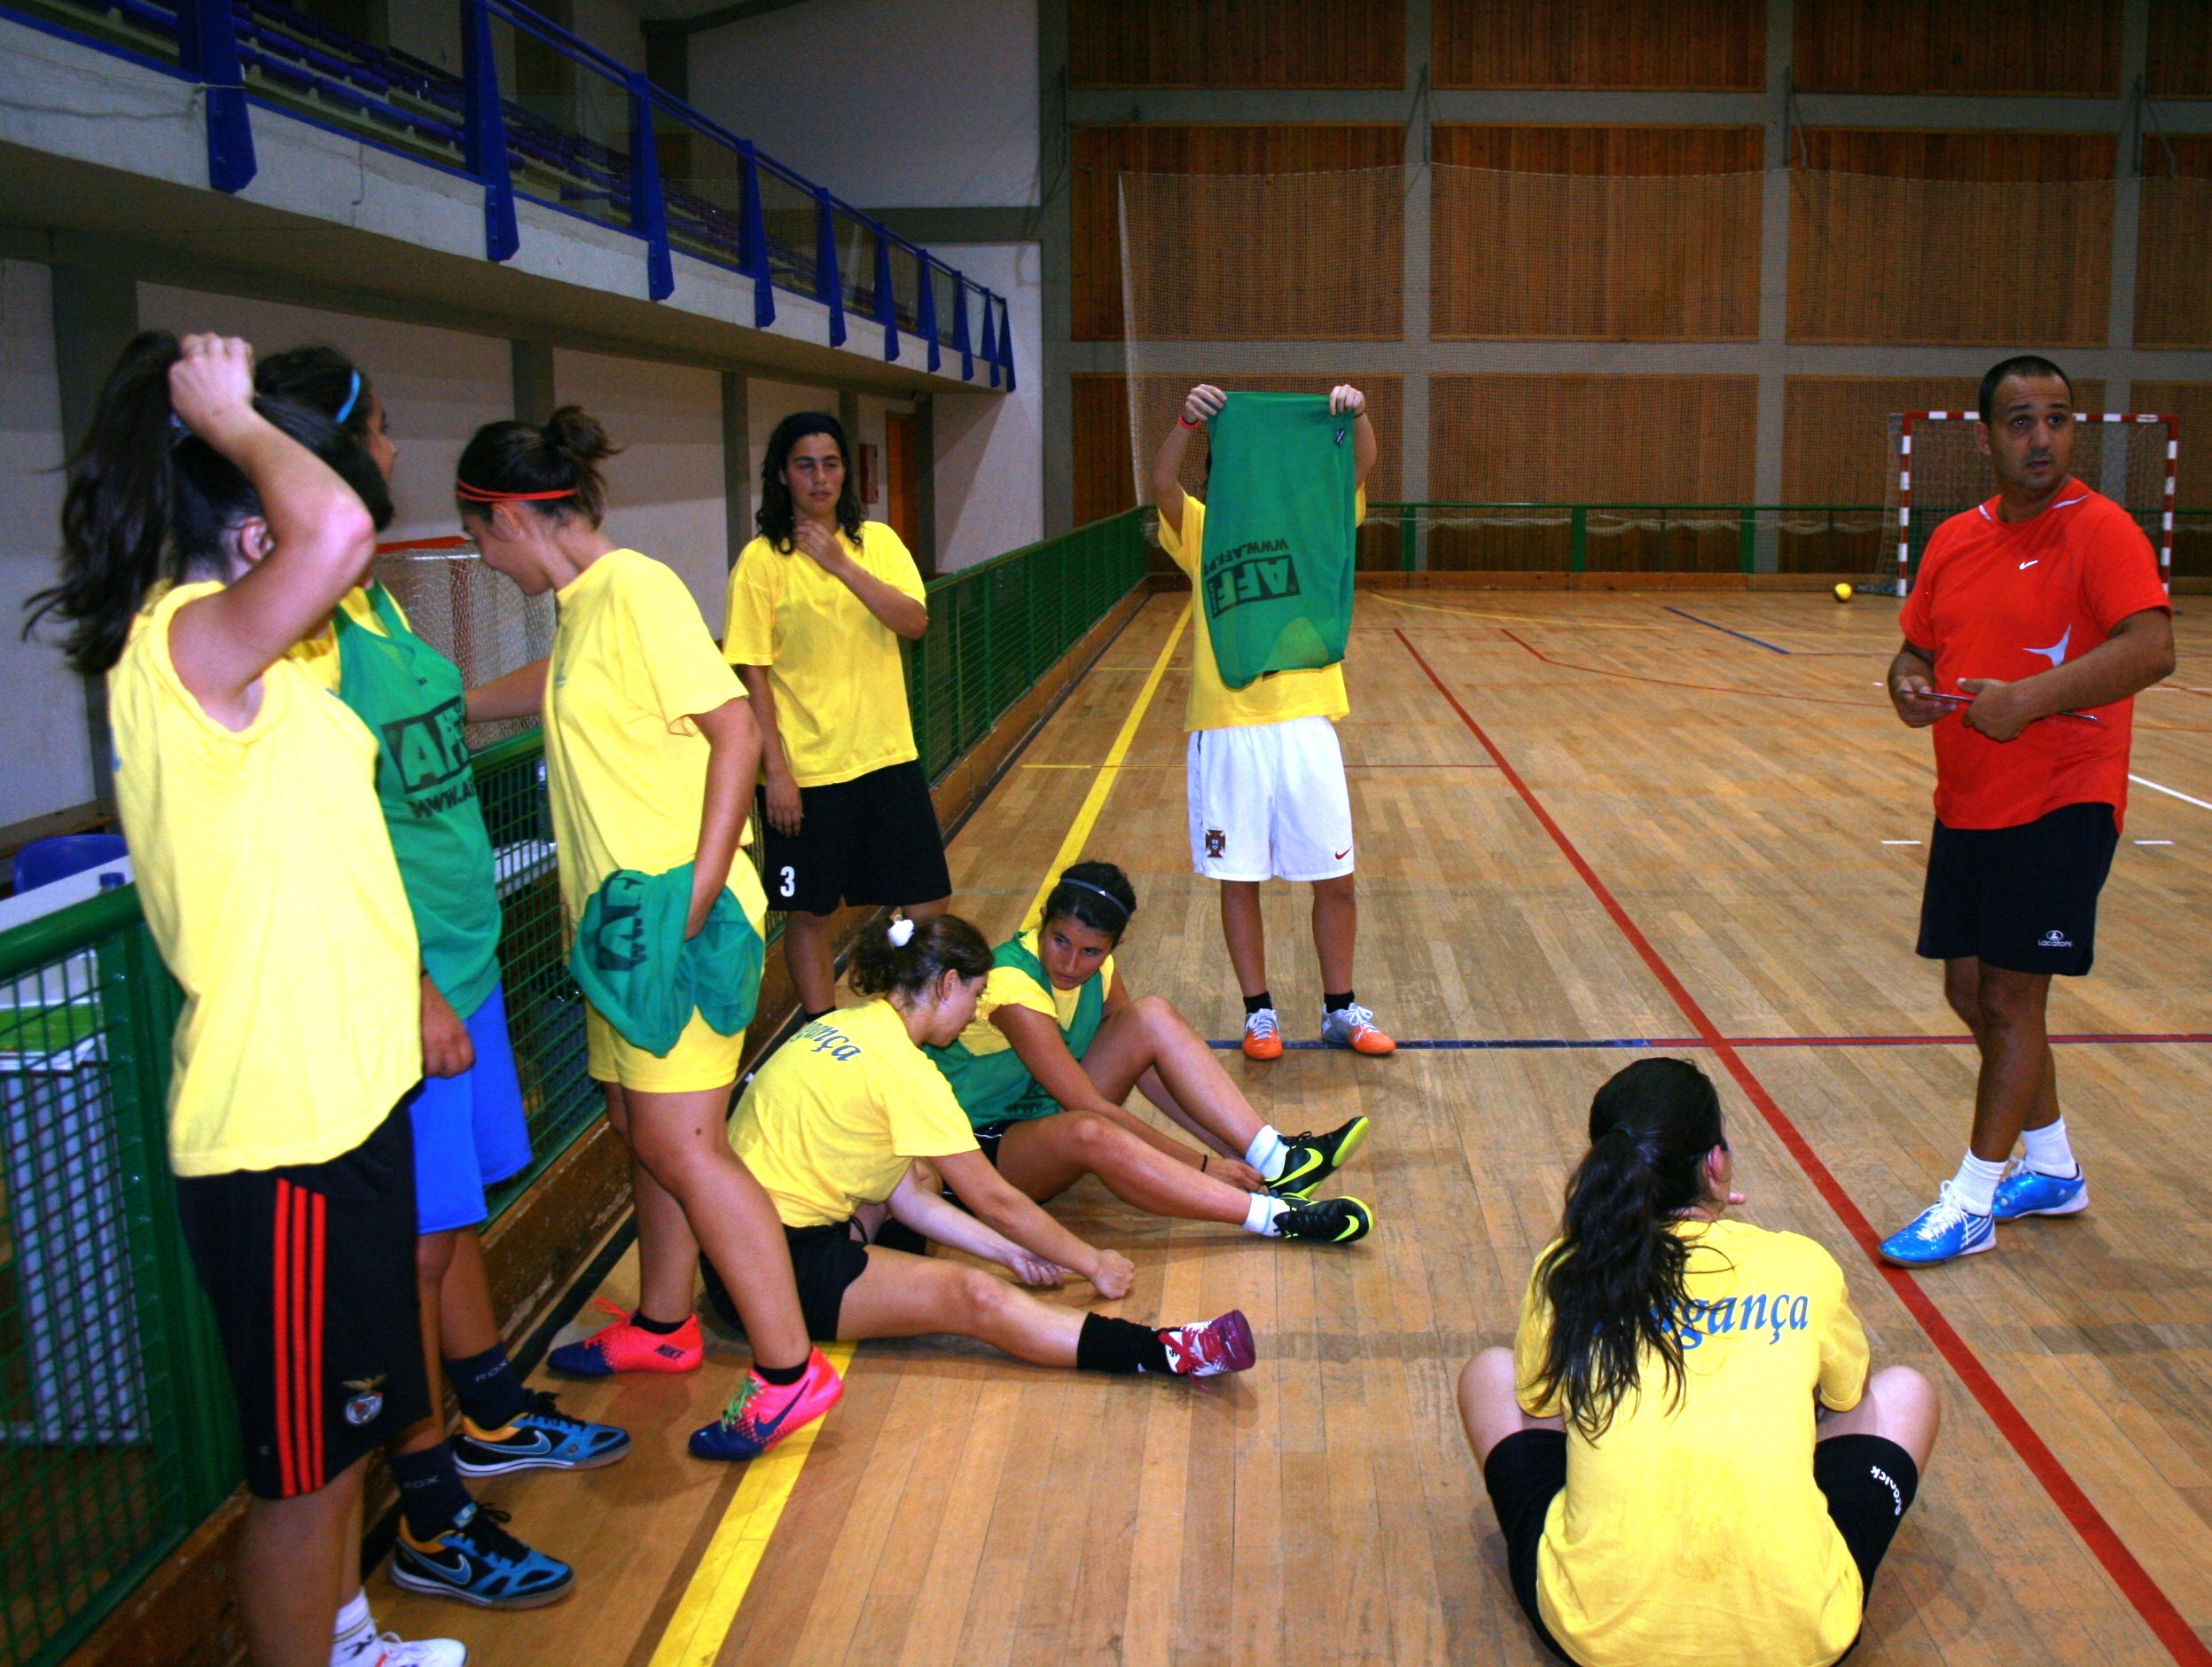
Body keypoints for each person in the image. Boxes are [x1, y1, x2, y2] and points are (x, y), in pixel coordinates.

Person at [27, 331, 429, 1667]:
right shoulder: (173, 649)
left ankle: (342, 1640)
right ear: (239, 503)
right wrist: (227, 414)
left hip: (353, 1107)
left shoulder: (276, 662)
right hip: (281, 1139)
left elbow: (326, 546)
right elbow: (335, 533)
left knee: (346, 1443)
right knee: (299, 1478)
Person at [259, 348, 621, 1628]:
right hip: (403, 989)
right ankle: (428, 1512)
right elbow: (324, 822)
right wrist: (410, 980)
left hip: (461, 969)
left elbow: (446, 727)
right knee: (409, 1253)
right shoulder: (289, 620)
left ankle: (487, 1414)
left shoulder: (376, 608)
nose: (400, 449)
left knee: (449, 1224)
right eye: (385, 428)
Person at [453, 407, 842, 1462]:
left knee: (684, 1140)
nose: (485, 563)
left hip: (673, 922)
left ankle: (786, 1368)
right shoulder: (584, 608)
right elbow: (560, 689)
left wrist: (701, 891)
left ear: (514, 518)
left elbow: (735, 729)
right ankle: (666, 1325)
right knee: (639, 1124)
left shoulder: (635, 588)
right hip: (620, 933)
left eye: (480, 539)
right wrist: (451, 705)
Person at [1458, 1059, 1941, 1667]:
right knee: (1904, 1391)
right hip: (1800, 1645)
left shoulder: (1565, 1268)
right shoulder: (1802, 1264)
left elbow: (1535, 1400)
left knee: (1490, 1373)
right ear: (1714, 1163)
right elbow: (1846, 1399)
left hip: (1600, 1645)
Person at [1880, 354, 2175, 1267]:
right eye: (2018, 421)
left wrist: (2034, 697)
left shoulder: (2102, 530)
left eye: (2054, 418)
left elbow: (2153, 646)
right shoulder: (1951, 541)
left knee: (2009, 995)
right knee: (1969, 989)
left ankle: (1969, 1197)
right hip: (1966, 798)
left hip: (2059, 798)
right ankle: (2049, 1165)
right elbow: (1908, 655)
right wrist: (1907, 688)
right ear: (1984, 436)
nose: (2039, 436)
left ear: (2072, 430)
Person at [700, 913, 1257, 1389]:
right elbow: (996, 1202)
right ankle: (1166, 1350)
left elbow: (911, 1200)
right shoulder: (907, 1073)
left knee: (919, 1176)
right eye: (974, 994)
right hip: (771, 1272)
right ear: (946, 984)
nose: (975, 1011)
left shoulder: (849, 1025)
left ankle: (883, 1273)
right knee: (973, 1296)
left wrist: (1011, 1254)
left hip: (736, 1246)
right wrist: (1090, 1262)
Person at [925, 861, 1374, 1243]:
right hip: (977, 1150)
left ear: (1114, 946)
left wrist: (1235, 1156)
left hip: (1041, 1117)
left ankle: (1275, 1158)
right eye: (1060, 940)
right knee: (1089, 1129)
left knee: (1151, 1016)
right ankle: (1275, 1219)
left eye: (1090, 951)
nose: (1069, 963)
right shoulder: (1012, 987)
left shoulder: (1101, 971)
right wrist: (1199, 1165)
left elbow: (1148, 1066)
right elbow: (1087, 1105)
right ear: (1043, 918)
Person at [1150, 383, 1394, 1060]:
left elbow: (1362, 462)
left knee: (1335, 879)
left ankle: (1339, 1009)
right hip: (1227, 727)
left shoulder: (1312, 517)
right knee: (1241, 878)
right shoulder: (1201, 527)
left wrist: (1357, 412)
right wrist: (1184, 421)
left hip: (1306, 723)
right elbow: (1161, 482)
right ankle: (1259, 1014)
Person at [723, 411, 949, 1021]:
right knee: (809, 912)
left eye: (830, 464)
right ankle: (822, 1030)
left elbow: (914, 621)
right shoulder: (760, 562)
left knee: (928, 900)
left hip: (886, 758)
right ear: (781, 475)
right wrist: (779, 773)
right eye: (804, 465)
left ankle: (918, 1016)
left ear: (846, 473)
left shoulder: (877, 544)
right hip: (808, 775)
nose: (819, 478)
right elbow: (753, 674)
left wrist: (841, 566)